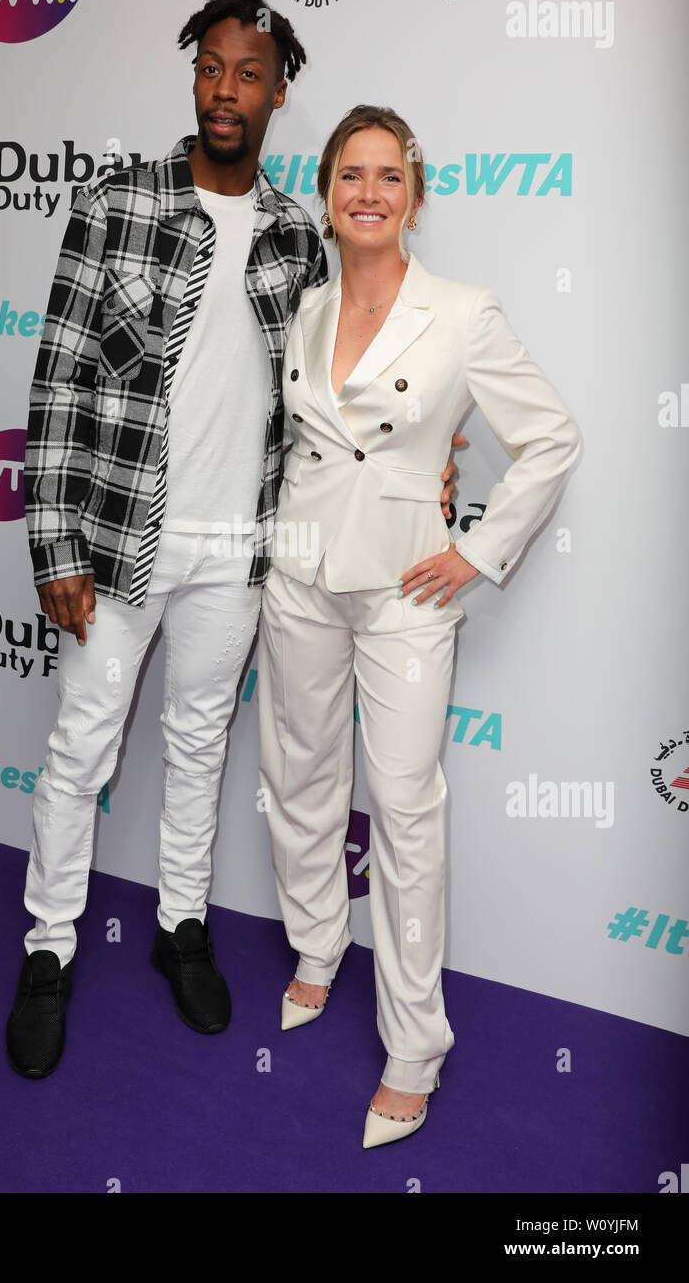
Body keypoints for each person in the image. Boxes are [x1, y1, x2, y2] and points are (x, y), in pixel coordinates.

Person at [6, 0, 462, 1079]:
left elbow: (346, 388)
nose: (224, 88)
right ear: (195, 76)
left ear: (277, 91)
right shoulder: (116, 202)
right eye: (209, 67)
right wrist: (53, 543)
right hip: (117, 539)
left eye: (246, 73)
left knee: (200, 742)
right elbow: (58, 376)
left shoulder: (299, 240)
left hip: (238, 548)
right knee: (83, 745)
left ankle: (180, 927)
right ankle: (48, 947)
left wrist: (426, 447)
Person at [257, 104, 582, 1147]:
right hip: (301, 566)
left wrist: (476, 552)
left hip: (406, 585)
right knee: (301, 766)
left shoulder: (461, 310)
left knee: (403, 808)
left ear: (415, 192)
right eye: (349, 173)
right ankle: (315, 947)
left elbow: (550, 439)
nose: (366, 192)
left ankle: (413, 1048)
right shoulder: (299, 310)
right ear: (325, 188)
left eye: (386, 175)